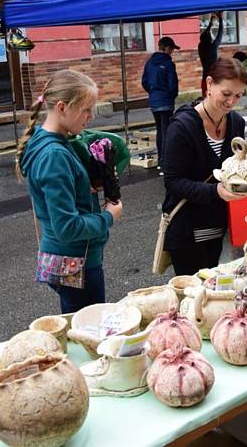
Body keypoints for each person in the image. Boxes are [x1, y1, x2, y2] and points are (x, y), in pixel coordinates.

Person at [17, 69, 123, 314]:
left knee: (78, 326)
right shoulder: (55, 155)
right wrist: (109, 216)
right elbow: (67, 227)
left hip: (68, 260)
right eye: (86, 109)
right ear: (62, 107)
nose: (91, 116)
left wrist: (85, 187)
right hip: (77, 264)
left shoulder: (47, 142)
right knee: (88, 333)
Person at [162, 58, 247, 276]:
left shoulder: (236, 122)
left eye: (238, 96)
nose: (231, 102)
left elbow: (236, 165)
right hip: (187, 228)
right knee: (193, 294)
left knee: (213, 286)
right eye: (226, 94)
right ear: (209, 84)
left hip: (218, 223)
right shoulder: (182, 126)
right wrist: (215, 191)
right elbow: (173, 182)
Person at [142, 36, 180, 171]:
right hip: (166, 101)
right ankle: (165, 163)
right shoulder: (168, 64)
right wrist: (172, 95)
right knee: (166, 131)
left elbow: (144, 82)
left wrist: (153, 92)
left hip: (154, 101)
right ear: (167, 48)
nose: (172, 52)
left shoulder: (149, 63)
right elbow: (173, 84)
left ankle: (160, 160)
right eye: (172, 49)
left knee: (160, 131)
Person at [198, 12, 224, 97]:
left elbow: (205, 34)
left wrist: (211, 21)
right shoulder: (213, 47)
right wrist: (220, 19)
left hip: (205, 77)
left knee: (205, 99)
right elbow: (220, 33)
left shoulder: (200, 46)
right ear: (209, 39)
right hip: (213, 77)